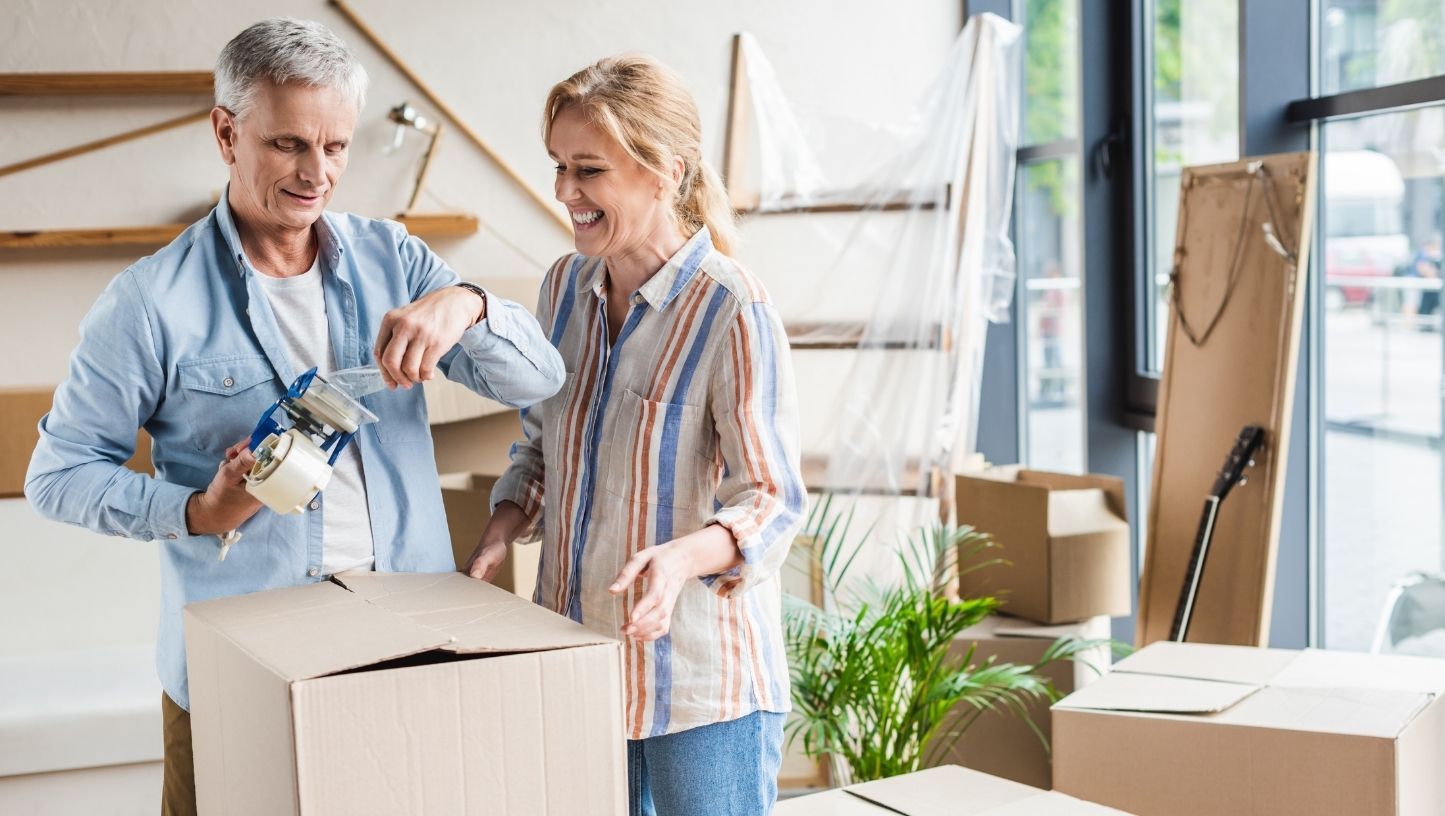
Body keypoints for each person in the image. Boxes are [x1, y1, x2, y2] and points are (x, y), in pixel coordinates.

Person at [24, 18, 563, 816]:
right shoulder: (148, 303)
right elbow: (57, 476)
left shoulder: (398, 261)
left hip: (403, 650)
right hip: (238, 671)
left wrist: (468, 303)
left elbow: (539, 377)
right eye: (288, 145)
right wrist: (197, 511)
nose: (317, 174)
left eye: (336, 147)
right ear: (225, 132)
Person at [464, 54, 805, 816]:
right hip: (579, 666)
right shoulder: (561, 288)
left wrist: (681, 559)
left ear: (662, 172)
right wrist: (505, 524)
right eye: (558, 166)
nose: (564, 192)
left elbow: (772, 500)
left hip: (698, 691)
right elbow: (543, 445)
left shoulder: (732, 308)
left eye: (588, 170)